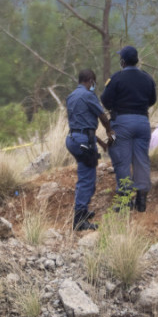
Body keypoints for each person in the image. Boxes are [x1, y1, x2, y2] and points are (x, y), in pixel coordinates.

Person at [100, 46, 156, 212]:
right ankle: (141, 198)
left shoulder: (116, 78)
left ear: (122, 61)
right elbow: (152, 100)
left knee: (122, 160)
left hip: (122, 122)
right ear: (137, 60)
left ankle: (125, 200)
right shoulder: (147, 78)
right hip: (143, 121)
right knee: (141, 159)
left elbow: (105, 100)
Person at [66, 69, 115, 230]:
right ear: (90, 80)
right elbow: (102, 116)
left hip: (74, 139)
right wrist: (109, 130)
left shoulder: (71, 96)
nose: (94, 85)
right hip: (84, 141)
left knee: (87, 175)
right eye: (94, 82)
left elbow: (83, 126)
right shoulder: (88, 95)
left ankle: (84, 212)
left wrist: (100, 143)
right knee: (86, 180)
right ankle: (79, 221)